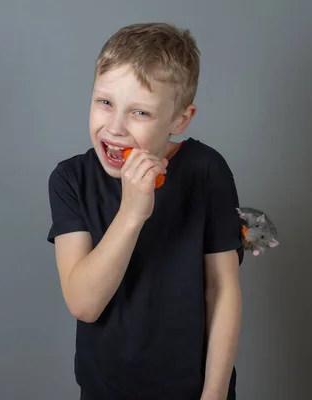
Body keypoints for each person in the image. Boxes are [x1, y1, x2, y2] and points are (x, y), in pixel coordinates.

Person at [46, 22, 244, 400]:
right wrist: (133, 212)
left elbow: (223, 289)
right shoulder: (70, 179)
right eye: (104, 102)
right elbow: (84, 304)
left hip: (194, 390)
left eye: (140, 113)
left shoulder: (206, 170)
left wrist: (214, 395)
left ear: (179, 120)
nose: (115, 127)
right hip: (106, 390)